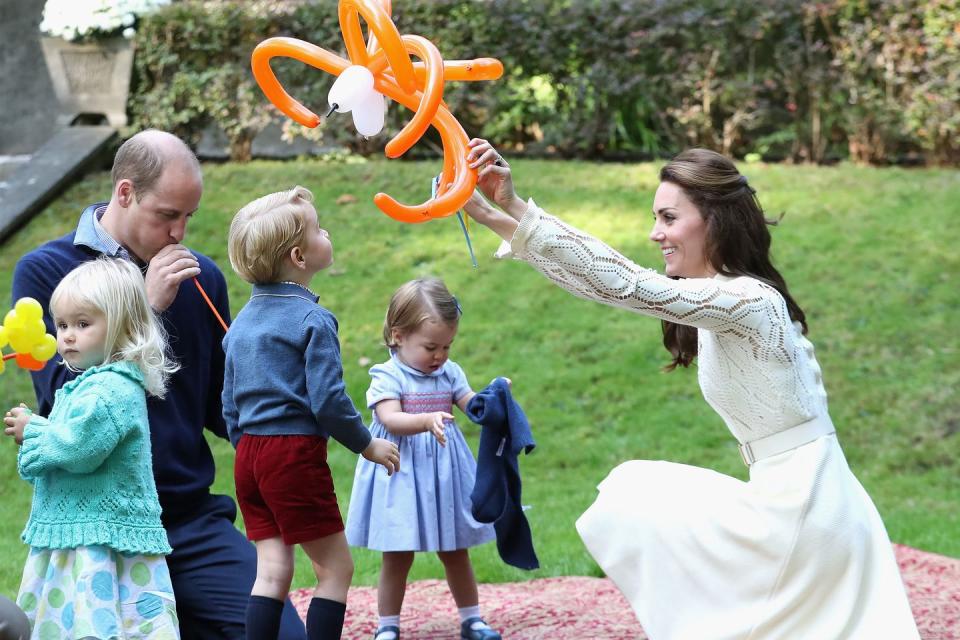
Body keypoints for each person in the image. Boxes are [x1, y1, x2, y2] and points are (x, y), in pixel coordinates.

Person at [461, 139, 920, 639]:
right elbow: (604, 286)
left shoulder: (749, 300)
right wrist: (491, 211)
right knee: (631, 494)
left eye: (668, 218)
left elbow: (625, 284)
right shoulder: (724, 299)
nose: (655, 233)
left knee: (631, 493)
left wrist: (511, 206)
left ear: (714, 222)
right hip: (797, 498)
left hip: (807, 509)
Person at [10, 130, 306, 638]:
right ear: (125, 193)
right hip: (97, 529)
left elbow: (221, 407)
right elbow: (63, 403)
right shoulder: (46, 272)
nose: (179, 232)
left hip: (186, 520)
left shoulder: (200, 278)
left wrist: (286, 399)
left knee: (280, 633)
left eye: (188, 216)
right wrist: (142, 311)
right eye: (167, 215)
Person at [223, 185, 401, 639]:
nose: (328, 232)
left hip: (250, 459)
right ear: (300, 257)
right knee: (336, 570)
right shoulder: (313, 320)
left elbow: (228, 404)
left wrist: (250, 448)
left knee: (272, 572)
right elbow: (327, 401)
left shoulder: (241, 322)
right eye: (320, 228)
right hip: (292, 456)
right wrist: (366, 444)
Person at [3, 258, 180, 638]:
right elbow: (78, 439)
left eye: (83, 325)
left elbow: (80, 450)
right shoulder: (92, 387)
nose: (67, 336)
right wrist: (41, 429)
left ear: (122, 327)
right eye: (63, 325)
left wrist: (34, 430)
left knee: (97, 624)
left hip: (101, 545)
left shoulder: (110, 390)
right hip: (81, 533)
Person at [345, 278, 502, 640]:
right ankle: (388, 626)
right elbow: (389, 418)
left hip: (444, 472)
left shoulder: (450, 371)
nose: (440, 355)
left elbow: (471, 405)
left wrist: (494, 400)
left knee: (455, 550)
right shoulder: (388, 375)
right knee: (398, 554)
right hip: (400, 468)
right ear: (399, 335)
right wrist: (425, 420)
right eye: (431, 346)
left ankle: (472, 619)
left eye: (447, 346)